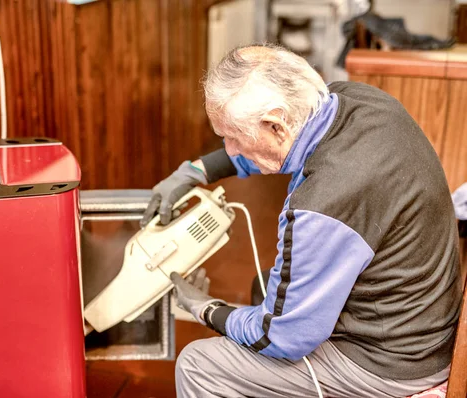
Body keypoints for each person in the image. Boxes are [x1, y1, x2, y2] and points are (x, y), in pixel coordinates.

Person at [140, 43, 462, 397]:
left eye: (232, 137)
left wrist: (207, 309)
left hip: (389, 363)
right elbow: (270, 151)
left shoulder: (322, 202)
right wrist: (196, 171)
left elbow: (280, 335)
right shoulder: (354, 101)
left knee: (199, 366)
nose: (230, 149)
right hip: (424, 323)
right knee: (265, 284)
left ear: (277, 126)